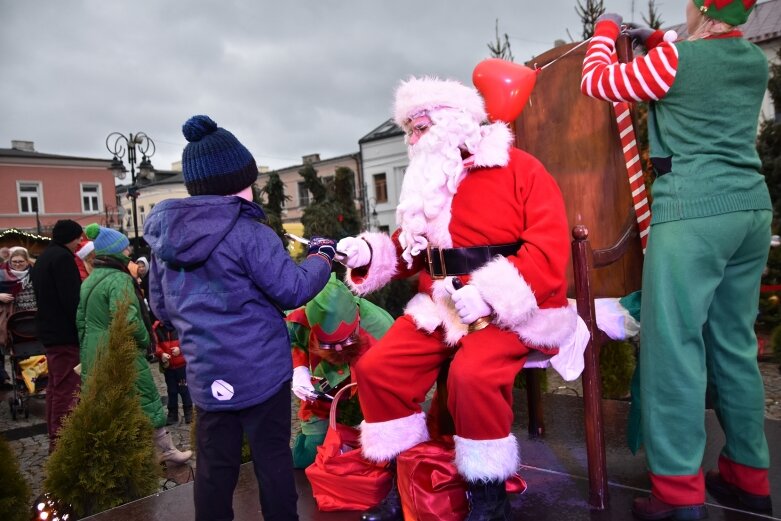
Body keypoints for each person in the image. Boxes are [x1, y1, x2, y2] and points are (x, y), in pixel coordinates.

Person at [336, 77, 581, 521]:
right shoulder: (428, 183)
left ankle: (488, 498)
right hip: (441, 307)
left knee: (471, 377)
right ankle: (409, 481)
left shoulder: (520, 168)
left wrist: (488, 296)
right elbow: (411, 250)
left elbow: (547, 252)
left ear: (452, 121)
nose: (412, 139)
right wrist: (369, 253)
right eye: (408, 129)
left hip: (514, 308)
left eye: (419, 126)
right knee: (377, 368)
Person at [580, 1, 772, 519]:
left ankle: (678, 496)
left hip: (692, 215)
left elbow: (596, 81)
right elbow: (706, 63)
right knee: (734, 347)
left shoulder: (675, 63)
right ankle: (748, 478)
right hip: (750, 212)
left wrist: (606, 29)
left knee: (673, 352)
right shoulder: (753, 60)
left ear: (703, 9)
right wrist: (659, 37)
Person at [144, 114, 335, 521]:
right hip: (260, 372)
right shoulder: (249, 232)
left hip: (206, 374)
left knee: (214, 471)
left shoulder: (167, 239)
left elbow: (161, 309)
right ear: (237, 183)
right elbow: (293, 289)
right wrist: (322, 255)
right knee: (272, 463)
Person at [76, 223, 191, 464]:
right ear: (115, 252)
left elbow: (80, 321)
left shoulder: (90, 279)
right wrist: (146, 342)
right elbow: (129, 319)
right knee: (145, 395)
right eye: (126, 248)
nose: (129, 252)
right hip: (120, 349)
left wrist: (88, 349)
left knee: (112, 403)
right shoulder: (118, 279)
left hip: (94, 350)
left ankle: (126, 455)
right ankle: (164, 450)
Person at [287, 273, 394, 468]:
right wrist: (299, 368)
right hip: (322, 382)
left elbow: (398, 387)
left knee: (384, 455)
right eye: (328, 344)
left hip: (374, 386)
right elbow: (290, 338)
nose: (338, 349)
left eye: (345, 341)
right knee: (309, 454)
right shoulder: (300, 318)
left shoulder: (382, 331)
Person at [31, 219, 83, 453]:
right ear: (70, 237)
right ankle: (61, 442)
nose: (79, 243)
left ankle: (55, 433)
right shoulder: (62, 259)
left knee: (54, 387)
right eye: (78, 238)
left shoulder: (44, 257)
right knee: (65, 388)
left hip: (50, 332)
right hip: (64, 334)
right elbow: (71, 299)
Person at [153, 320, 193, 425]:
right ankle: (172, 413)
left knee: (184, 388)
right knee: (171, 390)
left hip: (181, 365)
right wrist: (161, 354)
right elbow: (155, 345)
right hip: (168, 367)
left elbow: (189, 341)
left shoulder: (180, 323)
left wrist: (180, 349)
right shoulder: (157, 328)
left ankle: (188, 411)